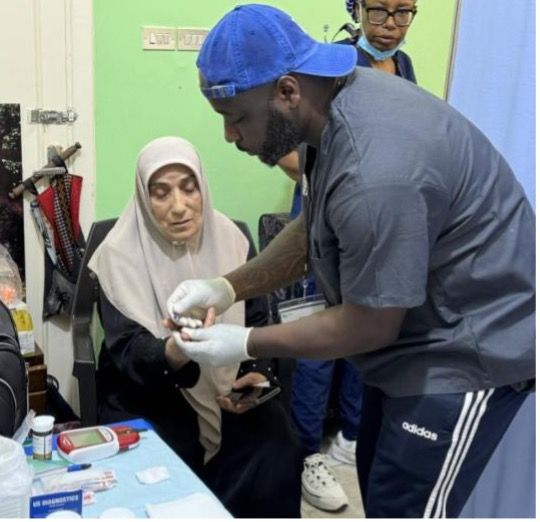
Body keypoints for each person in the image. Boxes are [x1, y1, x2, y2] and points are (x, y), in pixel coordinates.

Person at [167, 5, 535, 518]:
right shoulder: (331, 107)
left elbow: (370, 325)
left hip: (466, 354)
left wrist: (244, 341)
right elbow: (315, 227)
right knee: (381, 490)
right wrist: (227, 287)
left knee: (408, 506)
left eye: (236, 119)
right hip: (410, 343)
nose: (231, 137)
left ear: (288, 91)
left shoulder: (376, 168)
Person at [88, 136, 302, 518]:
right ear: (142, 197)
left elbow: (254, 320)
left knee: (277, 444)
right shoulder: (117, 254)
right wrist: (178, 348)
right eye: (161, 193)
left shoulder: (232, 240)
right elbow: (126, 350)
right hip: (149, 390)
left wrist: (253, 375)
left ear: (203, 187)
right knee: (154, 468)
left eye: (189, 189)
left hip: (226, 390)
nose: (179, 207)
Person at [278, 0, 419, 511]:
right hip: (330, 221)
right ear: (355, 7)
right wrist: (339, 183)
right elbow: (288, 149)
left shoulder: (403, 66)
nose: (390, 26)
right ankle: (305, 453)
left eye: (405, 13)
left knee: (369, 329)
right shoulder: (330, 66)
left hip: (380, 224)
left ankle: (352, 437)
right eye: (380, 10)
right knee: (321, 338)